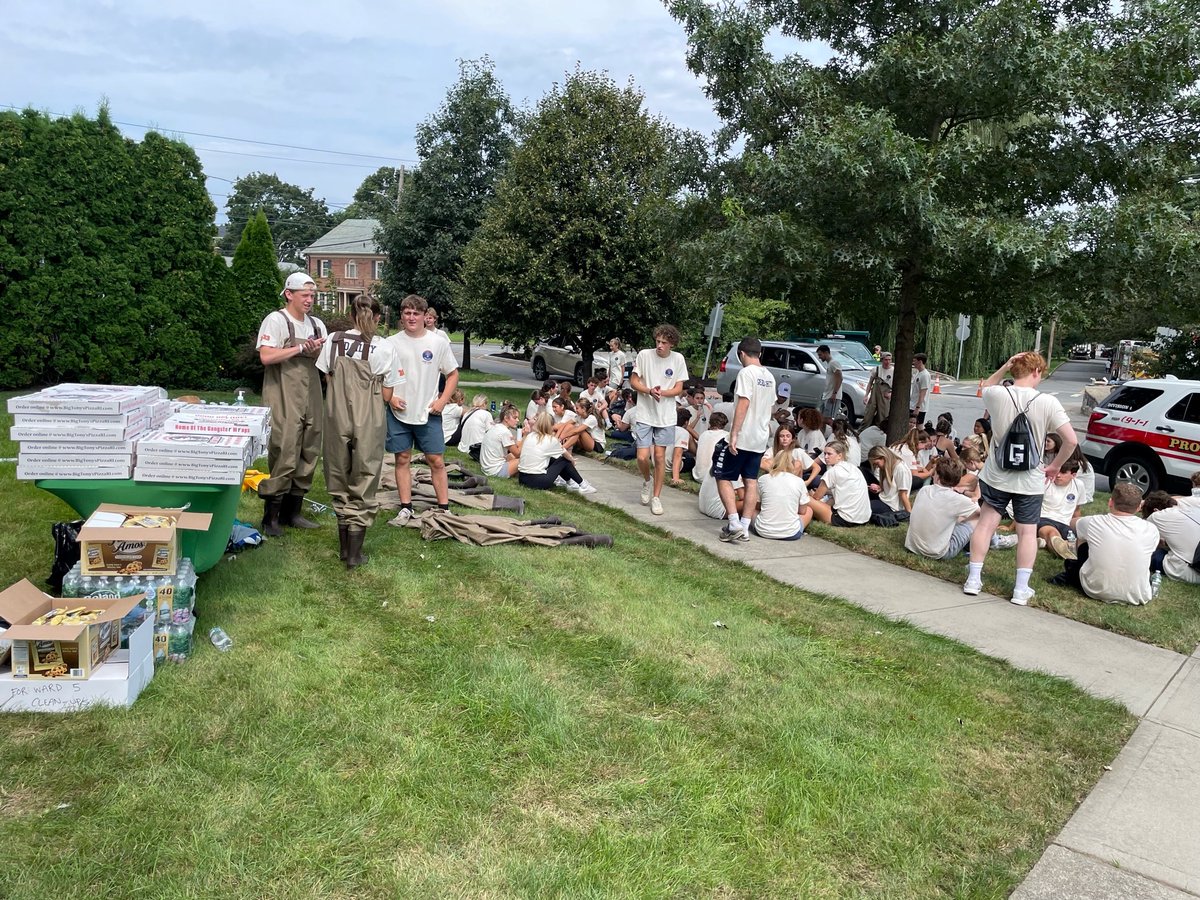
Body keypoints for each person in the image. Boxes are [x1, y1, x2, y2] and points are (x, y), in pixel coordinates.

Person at [964, 351, 1077, 605]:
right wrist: (1055, 466)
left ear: (1014, 370)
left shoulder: (997, 395)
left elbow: (985, 386)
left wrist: (1004, 365)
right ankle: (1020, 589)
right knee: (1027, 533)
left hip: (996, 476)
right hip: (1030, 480)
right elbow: (1071, 440)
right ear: (1036, 372)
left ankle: (973, 579)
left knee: (985, 525)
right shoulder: (1048, 402)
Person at [317, 296, 397, 568]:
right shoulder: (384, 347)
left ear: (350, 315)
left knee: (338, 473)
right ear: (376, 318)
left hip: (336, 413)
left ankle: (343, 549)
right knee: (364, 475)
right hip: (369, 416)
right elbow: (387, 393)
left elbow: (327, 375)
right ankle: (354, 555)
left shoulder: (333, 340)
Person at [256, 272, 328, 537]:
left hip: (311, 394)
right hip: (283, 393)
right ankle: (271, 516)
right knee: (285, 447)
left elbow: (324, 363)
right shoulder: (276, 320)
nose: (310, 300)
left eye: (312, 295)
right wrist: (299, 349)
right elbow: (266, 356)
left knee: (310, 448)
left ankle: (293, 513)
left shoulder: (318, 324)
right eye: (304, 295)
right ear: (289, 294)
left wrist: (318, 351)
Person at [384, 294, 460, 525]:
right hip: (399, 412)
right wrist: (391, 399)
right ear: (401, 315)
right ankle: (406, 508)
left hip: (428, 412)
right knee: (402, 458)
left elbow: (453, 374)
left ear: (425, 317)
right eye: (407, 313)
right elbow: (380, 375)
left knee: (436, 460)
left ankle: (444, 508)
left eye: (416, 313)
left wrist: (443, 400)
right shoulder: (391, 343)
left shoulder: (438, 343)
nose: (411, 317)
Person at [1049, 483, 1159, 604]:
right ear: (1139, 507)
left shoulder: (1093, 522)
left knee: (1083, 538)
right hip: (1138, 594)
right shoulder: (1151, 529)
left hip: (1094, 589)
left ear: (1110, 502)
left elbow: (1072, 523)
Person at [711, 336, 775, 542]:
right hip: (760, 437)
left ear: (741, 354)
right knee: (750, 481)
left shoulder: (746, 373)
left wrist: (734, 433)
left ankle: (734, 522)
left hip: (744, 435)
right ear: (760, 353)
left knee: (723, 476)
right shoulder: (770, 376)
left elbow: (743, 403)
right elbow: (770, 407)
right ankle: (745, 526)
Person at [631, 324, 689, 516]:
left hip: (666, 416)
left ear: (672, 343)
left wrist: (662, 393)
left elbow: (679, 388)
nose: (660, 345)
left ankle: (656, 497)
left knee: (659, 456)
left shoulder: (678, 359)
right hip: (645, 413)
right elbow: (634, 381)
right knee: (642, 456)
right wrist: (648, 390)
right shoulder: (644, 355)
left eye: (664, 342)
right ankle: (647, 480)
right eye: (658, 341)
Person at [905, 457, 981, 560]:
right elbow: (982, 513)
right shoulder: (958, 500)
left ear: (937, 477)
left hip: (912, 547)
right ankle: (996, 542)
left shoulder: (924, 490)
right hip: (938, 553)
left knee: (958, 516)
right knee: (977, 518)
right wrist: (973, 502)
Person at [517, 412, 597, 493]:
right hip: (538, 481)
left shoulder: (530, 435)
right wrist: (572, 461)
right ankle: (583, 484)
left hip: (522, 478)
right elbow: (566, 455)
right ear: (551, 426)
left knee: (554, 459)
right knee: (563, 460)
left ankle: (571, 482)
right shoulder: (551, 440)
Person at [751, 449, 814, 540]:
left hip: (762, 531)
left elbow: (757, 506)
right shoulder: (799, 481)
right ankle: (793, 526)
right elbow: (803, 511)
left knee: (751, 508)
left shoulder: (763, 479)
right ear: (792, 464)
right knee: (809, 510)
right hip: (791, 533)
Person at [807, 440, 872, 527]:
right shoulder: (854, 468)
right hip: (864, 518)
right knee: (832, 497)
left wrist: (811, 494)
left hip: (844, 519)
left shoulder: (833, 471)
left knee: (804, 498)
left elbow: (817, 497)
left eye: (829, 454)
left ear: (839, 456)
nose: (826, 457)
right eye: (824, 454)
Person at [1142, 491, 1200, 585]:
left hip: (1192, 570)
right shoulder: (1188, 508)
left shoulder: (1156, 516)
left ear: (1155, 510)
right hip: (1196, 558)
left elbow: (1140, 539)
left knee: (1153, 555)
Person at [1037, 461, 1082, 557]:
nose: (1058, 475)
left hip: (1064, 523)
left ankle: (1045, 544)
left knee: (1078, 540)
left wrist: (1079, 528)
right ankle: (1064, 551)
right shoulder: (1046, 482)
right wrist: (1011, 527)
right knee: (1053, 535)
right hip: (1043, 519)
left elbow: (1077, 510)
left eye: (1063, 473)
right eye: (1057, 471)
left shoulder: (1079, 486)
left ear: (1073, 475)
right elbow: (1030, 507)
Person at [479, 404, 525, 478]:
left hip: (486, 467)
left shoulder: (496, 427)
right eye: (515, 418)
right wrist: (525, 436)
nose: (518, 420)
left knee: (511, 456)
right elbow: (518, 454)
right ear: (506, 418)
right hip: (495, 470)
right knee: (524, 460)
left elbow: (514, 449)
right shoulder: (504, 432)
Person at [866, 445, 913, 514]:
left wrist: (909, 514)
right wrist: (879, 489)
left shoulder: (900, 469)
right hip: (884, 498)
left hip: (891, 506)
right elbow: (891, 489)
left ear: (883, 458)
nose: (877, 467)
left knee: (865, 507)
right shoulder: (887, 468)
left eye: (877, 463)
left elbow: (903, 494)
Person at [816, 345, 843, 423]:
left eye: (820, 355)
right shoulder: (829, 364)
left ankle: (834, 434)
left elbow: (840, 378)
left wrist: (834, 393)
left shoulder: (834, 363)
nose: (819, 357)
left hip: (832, 395)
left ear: (826, 353)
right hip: (827, 395)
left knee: (829, 419)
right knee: (822, 418)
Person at [910, 353, 932, 425]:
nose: (913, 363)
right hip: (912, 405)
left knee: (918, 426)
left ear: (920, 362)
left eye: (915, 361)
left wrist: (917, 408)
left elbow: (923, 393)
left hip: (919, 408)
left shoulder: (925, 375)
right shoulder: (918, 373)